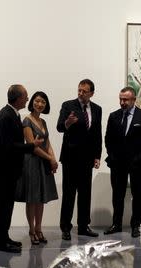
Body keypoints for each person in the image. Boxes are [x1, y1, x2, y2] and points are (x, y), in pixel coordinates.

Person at [0, 84, 43, 253]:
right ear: (18, 98)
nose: (27, 99)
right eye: (26, 96)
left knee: (6, 205)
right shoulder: (6, 115)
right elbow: (8, 146)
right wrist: (31, 145)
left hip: (7, 170)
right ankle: (1, 242)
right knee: (4, 206)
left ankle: (2, 237)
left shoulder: (11, 114)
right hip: (4, 171)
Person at [104, 87, 141, 237]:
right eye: (121, 99)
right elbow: (108, 139)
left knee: (137, 194)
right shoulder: (113, 116)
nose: (122, 102)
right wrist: (112, 155)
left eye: (126, 99)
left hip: (136, 163)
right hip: (117, 163)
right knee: (117, 194)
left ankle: (135, 226)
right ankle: (116, 224)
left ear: (134, 100)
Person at [57, 79, 102, 240]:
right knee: (69, 193)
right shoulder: (68, 105)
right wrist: (68, 123)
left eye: (84, 91)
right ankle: (66, 227)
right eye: (79, 90)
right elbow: (59, 127)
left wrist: (97, 156)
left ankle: (83, 226)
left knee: (85, 193)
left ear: (91, 93)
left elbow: (97, 133)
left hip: (87, 158)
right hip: (70, 158)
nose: (80, 93)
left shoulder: (97, 109)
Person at [16, 91, 59, 245]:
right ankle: (32, 230)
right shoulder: (26, 121)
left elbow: (47, 143)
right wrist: (49, 159)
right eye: (37, 101)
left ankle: (39, 229)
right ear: (32, 102)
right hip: (32, 163)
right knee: (32, 199)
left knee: (41, 199)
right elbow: (32, 146)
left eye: (43, 102)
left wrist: (53, 159)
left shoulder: (43, 122)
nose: (40, 104)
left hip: (43, 163)